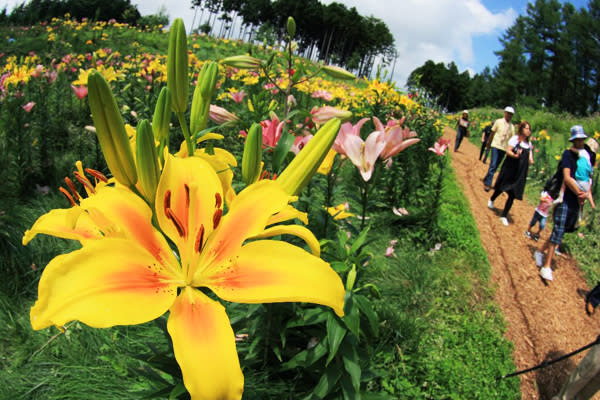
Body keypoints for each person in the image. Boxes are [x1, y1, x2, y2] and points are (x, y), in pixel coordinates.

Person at [534, 126, 588, 281]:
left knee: (560, 230)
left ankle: (540, 252)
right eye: (578, 139)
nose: (580, 142)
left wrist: (585, 194)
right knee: (558, 231)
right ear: (573, 140)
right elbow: (567, 177)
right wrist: (580, 192)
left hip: (575, 200)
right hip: (564, 197)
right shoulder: (568, 155)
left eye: (582, 139)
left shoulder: (583, 157)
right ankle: (546, 266)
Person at [487, 121, 533, 226]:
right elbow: (508, 151)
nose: (528, 131)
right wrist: (515, 155)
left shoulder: (529, 144)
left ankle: (504, 215)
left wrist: (530, 161)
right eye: (526, 128)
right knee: (502, 187)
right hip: (510, 169)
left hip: (519, 173)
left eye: (529, 129)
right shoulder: (515, 140)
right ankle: (492, 199)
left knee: (512, 193)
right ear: (521, 129)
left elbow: (530, 156)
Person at [483, 106, 515, 191]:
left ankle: (487, 178)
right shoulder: (498, 122)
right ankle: (488, 184)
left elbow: (512, 140)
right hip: (496, 145)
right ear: (505, 113)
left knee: (496, 165)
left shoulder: (512, 127)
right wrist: (488, 143)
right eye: (508, 114)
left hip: (504, 148)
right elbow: (492, 133)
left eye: (511, 114)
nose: (509, 116)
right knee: (493, 164)